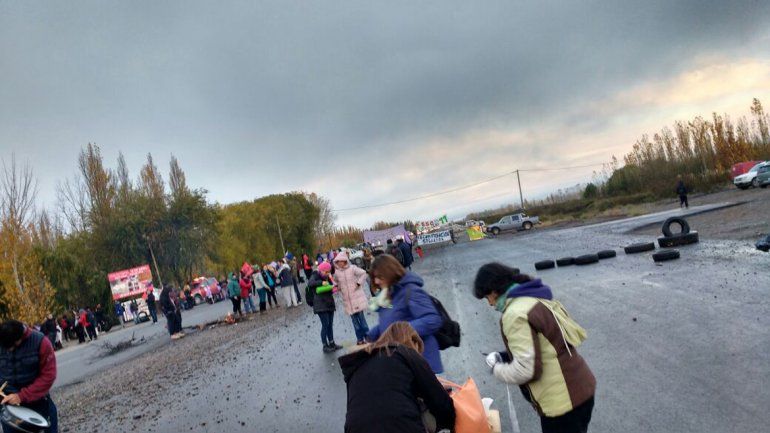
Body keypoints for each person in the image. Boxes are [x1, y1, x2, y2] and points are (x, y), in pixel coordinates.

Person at [473, 263, 596, 433]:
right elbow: (546, 343)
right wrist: (506, 356)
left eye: (487, 298)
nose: (490, 304)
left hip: (561, 403)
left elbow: (527, 370)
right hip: (582, 389)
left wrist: (497, 369)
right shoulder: (532, 297)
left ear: (494, 291)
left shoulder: (514, 314)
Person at [339, 322, 455, 433]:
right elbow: (441, 403)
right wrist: (449, 423)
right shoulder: (406, 353)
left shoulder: (358, 367)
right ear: (412, 342)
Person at [367, 254, 444, 374]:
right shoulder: (389, 293)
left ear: (390, 272)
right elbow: (392, 320)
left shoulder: (411, 290)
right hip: (404, 359)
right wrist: (372, 335)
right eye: (374, 277)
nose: (376, 281)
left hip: (421, 360)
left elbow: (432, 319)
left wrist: (399, 331)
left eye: (379, 277)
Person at [0, 320, 58, 433]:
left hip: (39, 405)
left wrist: (21, 396)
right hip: (9, 410)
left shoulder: (41, 342)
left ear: (19, 340)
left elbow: (48, 376)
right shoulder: (3, 341)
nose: (7, 351)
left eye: (9, 347)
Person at [332, 252, 370, 345]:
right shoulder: (337, 272)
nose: (339, 263)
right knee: (355, 323)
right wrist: (336, 287)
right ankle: (360, 339)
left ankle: (368, 337)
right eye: (337, 261)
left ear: (345, 260)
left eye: (341, 261)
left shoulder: (352, 268)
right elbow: (336, 282)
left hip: (357, 299)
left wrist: (358, 283)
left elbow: (364, 273)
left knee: (362, 321)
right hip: (347, 301)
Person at [306, 262, 341, 353]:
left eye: (328, 272)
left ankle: (332, 343)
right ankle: (325, 345)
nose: (327, 273)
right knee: (325, 324)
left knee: (330, 325)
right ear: (321, 270)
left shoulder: (328, 277)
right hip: (320, 305)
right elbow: (310, 283)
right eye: (326, 272)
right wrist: (322, 282)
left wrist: (334, 287)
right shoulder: (315, 275)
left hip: (329, 303)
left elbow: (330, 288)